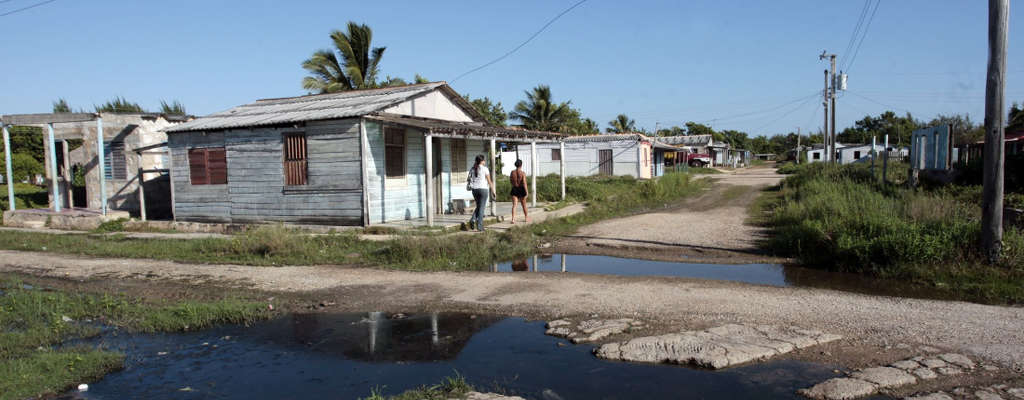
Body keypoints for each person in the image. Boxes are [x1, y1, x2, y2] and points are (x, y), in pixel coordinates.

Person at [468, 154, 496, 232]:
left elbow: (469, 179)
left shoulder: (473, 169)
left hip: (474, 190)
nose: (484, 161)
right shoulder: (485, 169)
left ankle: (473, 220)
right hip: (483, 190)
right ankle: (480, 226)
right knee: (481, 208)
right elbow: (489, 181)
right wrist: (493, 191)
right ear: (481, 161)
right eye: (484, 160)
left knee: (479, 206)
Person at [508, 159, 530, 223]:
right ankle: (526, 218)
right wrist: (527, 192)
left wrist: (514, 185)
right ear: (521, 165)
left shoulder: (512, 172)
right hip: (521, 189)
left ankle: (513, 219)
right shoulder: (522, 173)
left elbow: (511, 181)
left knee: (514, 205)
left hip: (515, 188)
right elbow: (524, 183)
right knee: (524, 205)